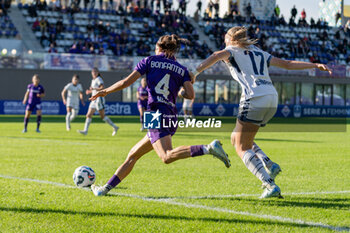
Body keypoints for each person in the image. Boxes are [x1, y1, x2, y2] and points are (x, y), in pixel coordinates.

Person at [191, 26, 332, 198]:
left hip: (254, 97)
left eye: (225, 38)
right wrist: (315, 65)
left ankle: (269, 184)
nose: (224, 42)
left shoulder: (231, 50)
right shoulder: (259, 52)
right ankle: (268, 163)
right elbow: (287, 64)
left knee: (241, 147)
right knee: (237, 138)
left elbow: (215, 56)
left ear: (231, 39)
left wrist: (195, 72)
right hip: (271, 97)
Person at [89, 34, 231, 196]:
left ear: (160, 48)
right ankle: (105, 189)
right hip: (170, 114)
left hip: (155, 113)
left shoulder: (149, 61)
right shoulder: (182, 69)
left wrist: (105, 91)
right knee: (133, 155)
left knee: (166, 156)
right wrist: (180, 89)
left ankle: (208, 148)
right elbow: (190, 95)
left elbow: (125, 83)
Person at [78, 68, 119, 136]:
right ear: (91, 73)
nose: (94, 73)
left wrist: (94, 88)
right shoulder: (93, 80)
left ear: (98, 72)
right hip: (94, 100)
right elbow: (95, 90)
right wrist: (90, 91)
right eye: (93, 71)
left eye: (95, 71)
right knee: (88, 115)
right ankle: (85, 131)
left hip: (99, 99)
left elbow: (102, 87)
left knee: (102, 117)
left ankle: (115, 127)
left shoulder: (99, 79)